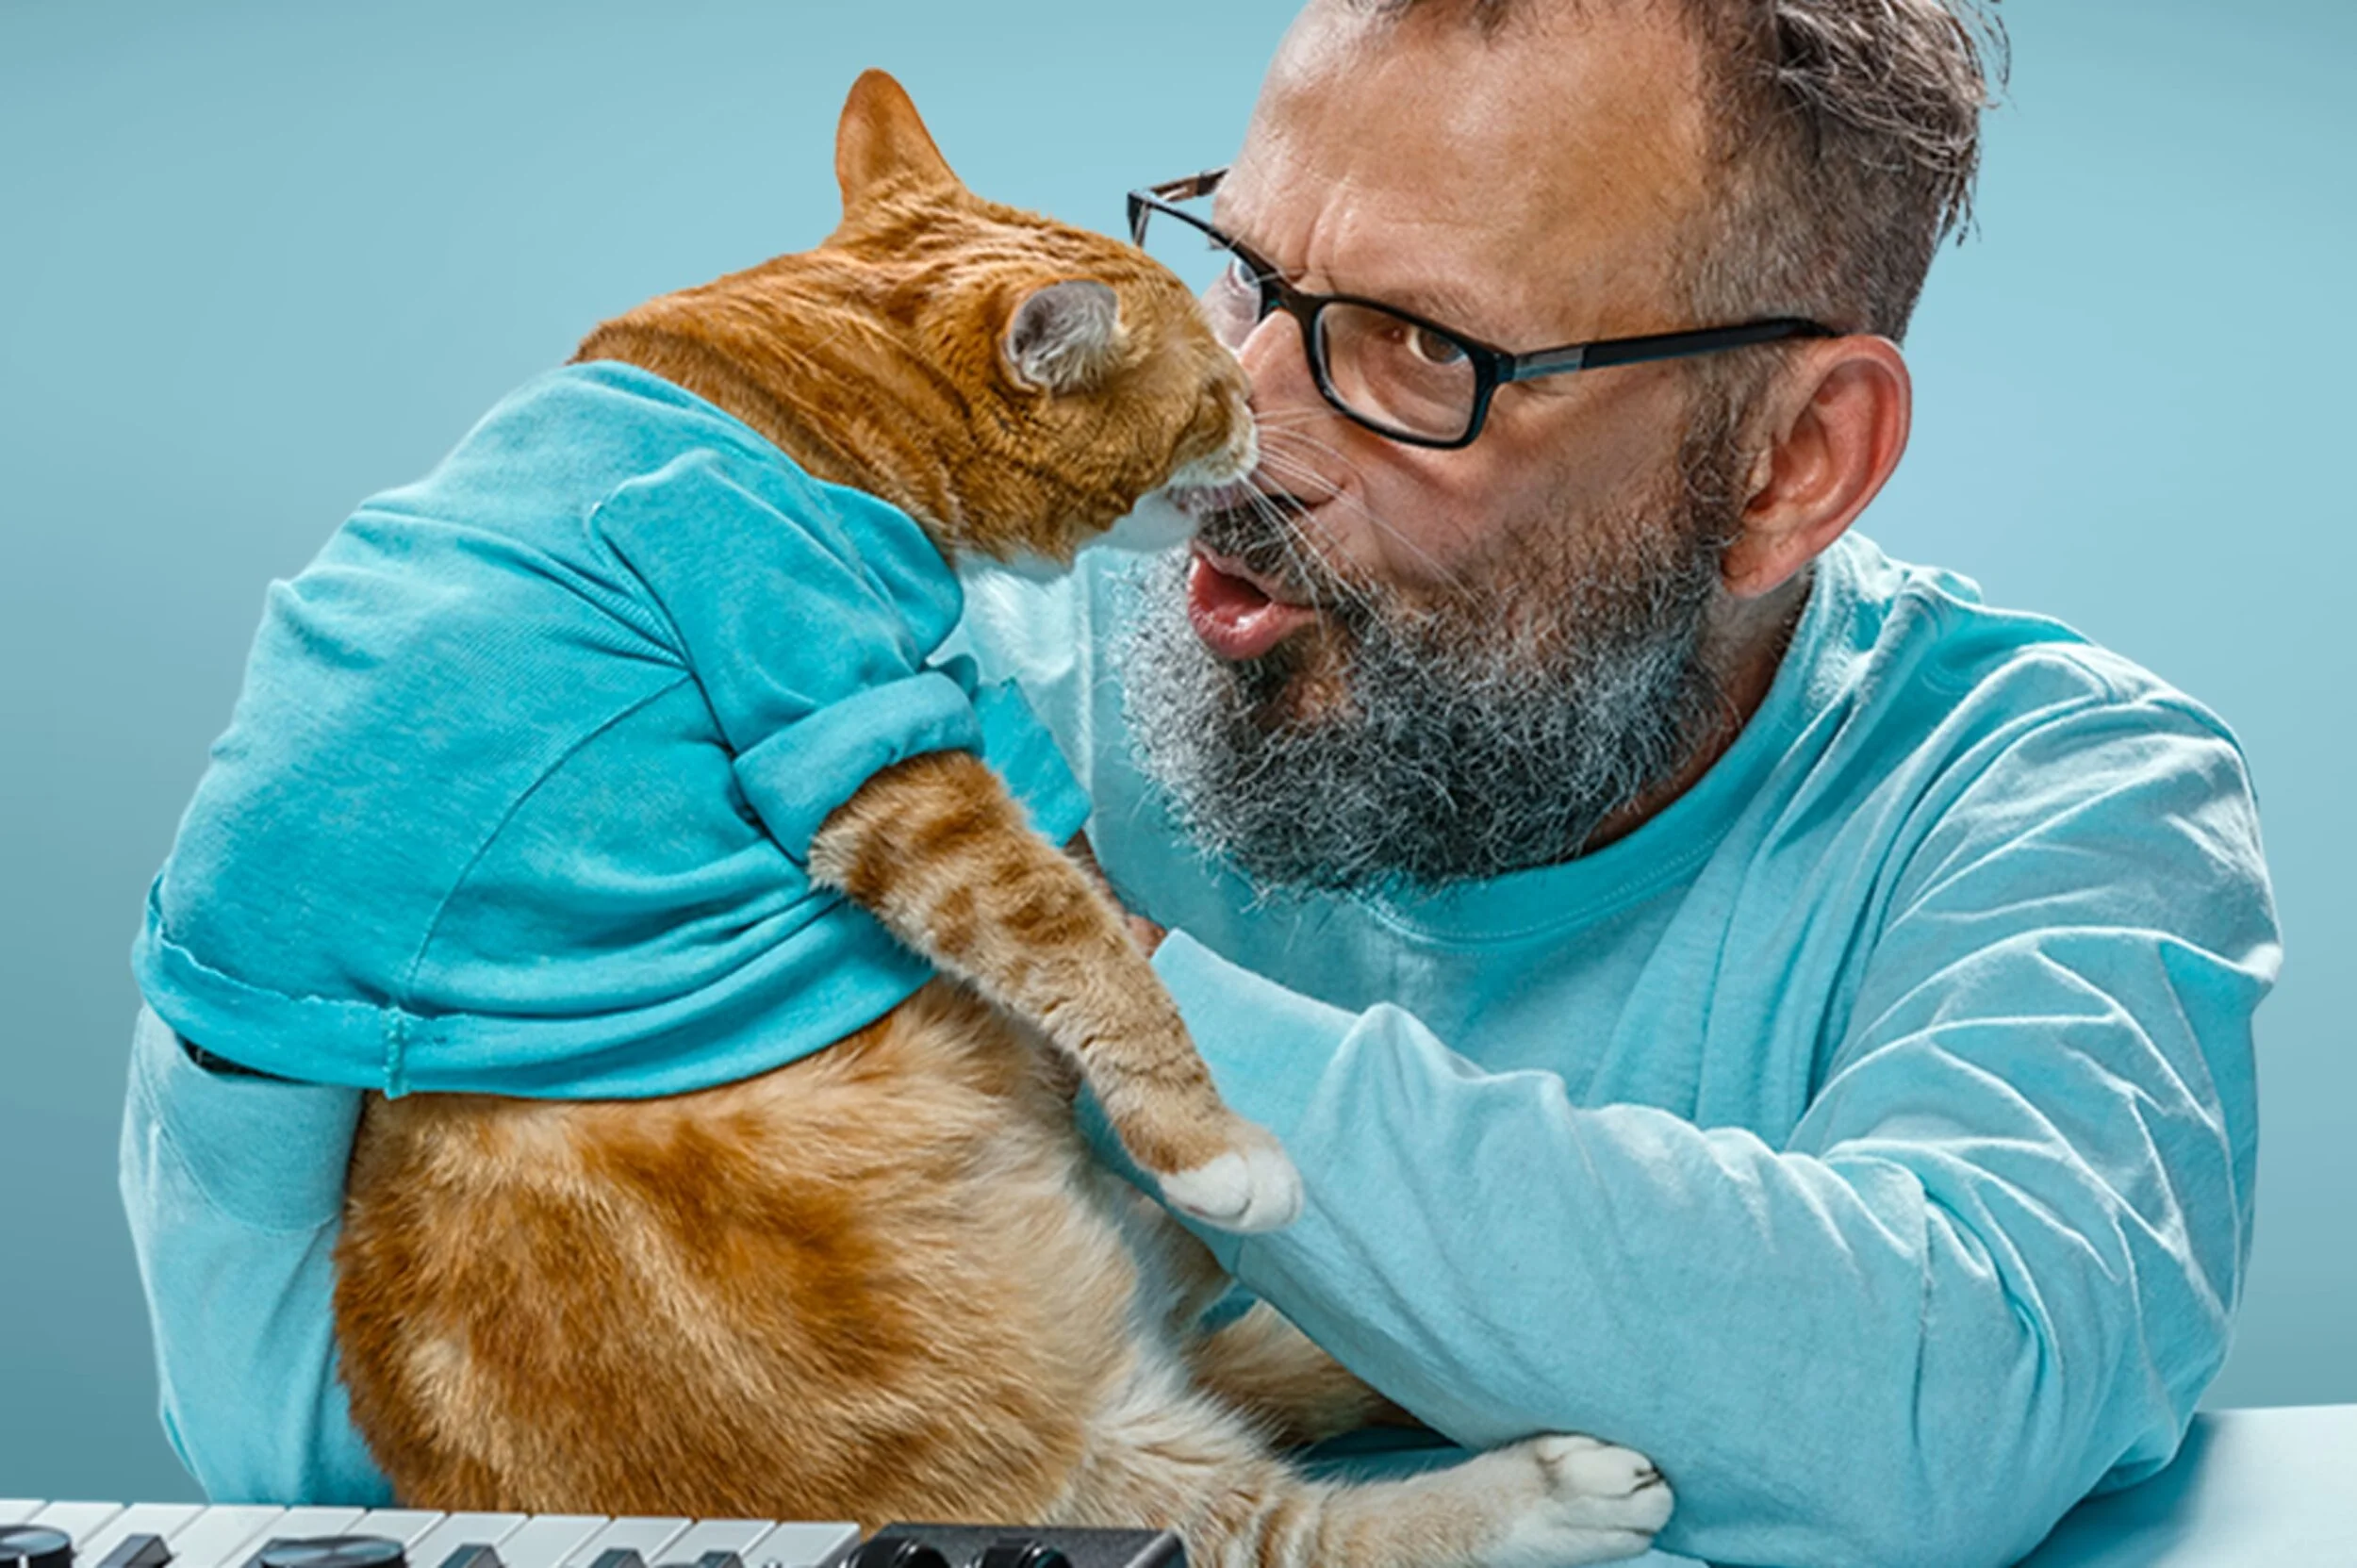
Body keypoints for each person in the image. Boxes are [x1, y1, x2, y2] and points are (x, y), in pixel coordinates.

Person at [120, 1, 2278, 1565]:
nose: (1241, 431)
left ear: (1790, 462)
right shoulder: (973, 666)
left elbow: (1945, 1393)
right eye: (1245, 276)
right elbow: (318, 1455)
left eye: (1421, 347)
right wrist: (252, 1027)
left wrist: (1084, 978)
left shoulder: (2046, 795)